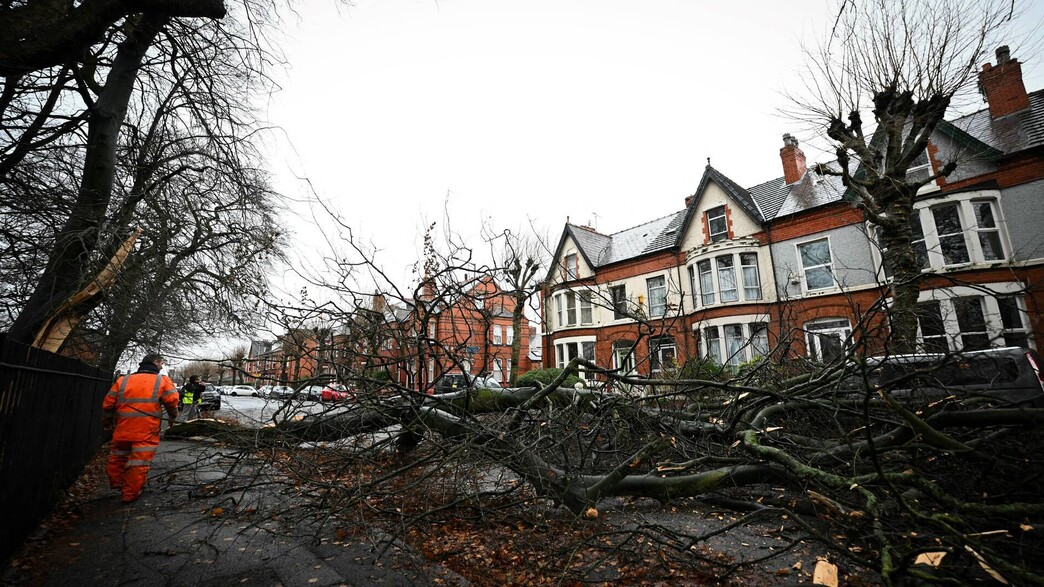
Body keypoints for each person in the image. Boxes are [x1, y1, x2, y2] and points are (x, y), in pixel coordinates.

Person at [102, 353, 179, 502]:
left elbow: (108, 404)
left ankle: (117, 483)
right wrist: (172, 417)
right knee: (138, 463)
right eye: (161, 363)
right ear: (156, 362)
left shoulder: (123, 380)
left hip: (123, 428)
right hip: (146, 430)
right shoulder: (161, 380)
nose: (162, 366)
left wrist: (107, 422)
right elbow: (172, 401)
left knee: (118, 457)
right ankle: (129, 494)